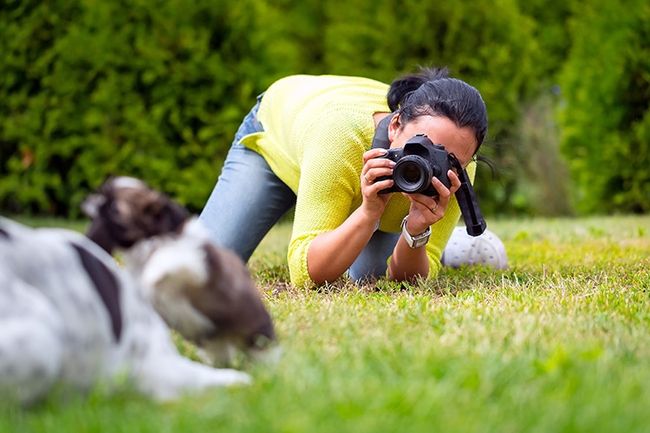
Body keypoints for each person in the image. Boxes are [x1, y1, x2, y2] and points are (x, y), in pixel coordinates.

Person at [199, 66, 489, 287]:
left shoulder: (457, 169)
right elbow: (305, 274)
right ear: (395, 125)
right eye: (421, 145)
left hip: (335, 158)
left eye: (449, 159)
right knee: (201, 266)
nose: (431, 163)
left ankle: (454, 241)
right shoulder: (341, 137)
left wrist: (416, 231)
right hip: (281, 136)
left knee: (367, 275)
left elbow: (409, 280)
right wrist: (368, 213)